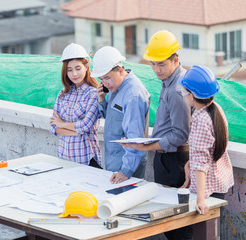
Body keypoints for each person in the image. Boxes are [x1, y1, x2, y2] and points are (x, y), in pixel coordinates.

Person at [119, 30, 191, 239]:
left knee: (177, 226)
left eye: (161, 64)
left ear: (175, 60)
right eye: (153, 63)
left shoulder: (178, 90)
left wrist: (146, 146)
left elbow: (179, 135)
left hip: (174, 161)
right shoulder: (172, 80)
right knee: (174, 224)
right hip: (169, 158)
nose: (156, 69)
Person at [178, 65, 234, 215]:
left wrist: (200, 200)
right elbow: (211, 149)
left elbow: (201, 162)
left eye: (184, 90)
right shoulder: (216, 108)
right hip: (219, 181)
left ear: (191, 95)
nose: (182, 93)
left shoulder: (201, 120)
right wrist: (190, 163)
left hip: (208, 190)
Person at [91, 46, 150, 184]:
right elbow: (114, 120)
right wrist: (102, 101)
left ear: (121, 70)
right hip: (114, 161)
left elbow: (135, 138)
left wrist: (126, 171)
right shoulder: (115, 86)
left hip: (127, 166)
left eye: (107, 78)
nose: (105, 83)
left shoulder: (133, 95)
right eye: (101, 79)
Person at [49, 43, 101, 168]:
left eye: (78, 68)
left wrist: (62, 124)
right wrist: (75, 131)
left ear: (86, 66)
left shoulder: (93, 93)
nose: (74, 74)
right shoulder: (63, 94)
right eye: (69, 70)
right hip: (64, 157)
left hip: (86, 159)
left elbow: (86, 126)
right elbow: (52, 127)